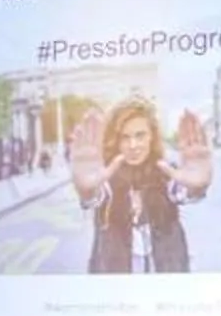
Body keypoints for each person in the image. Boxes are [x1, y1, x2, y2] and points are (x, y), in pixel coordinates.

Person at [70, 97, 211, 273]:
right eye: (124, 137)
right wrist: (86, 190)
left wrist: (198, 186)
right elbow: (95, 197)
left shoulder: (165, 171)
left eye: (140, 135)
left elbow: (184, 191)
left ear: (152, 137)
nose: (133, 145)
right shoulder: (106, 175)